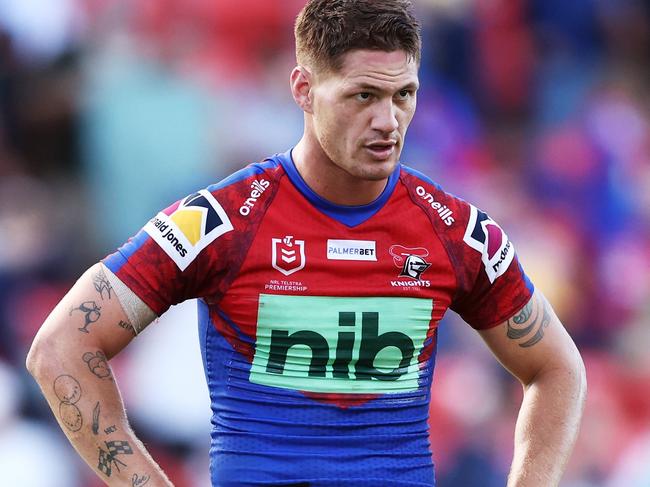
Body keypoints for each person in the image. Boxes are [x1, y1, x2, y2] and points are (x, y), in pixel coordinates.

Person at [26, 1, 587, 485]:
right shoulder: (223, 221)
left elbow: (558, 369)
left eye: (404, 94)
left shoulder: (453, 230)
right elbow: (61, 349)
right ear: (304, 88)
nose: (388, 121)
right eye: (363, 95)